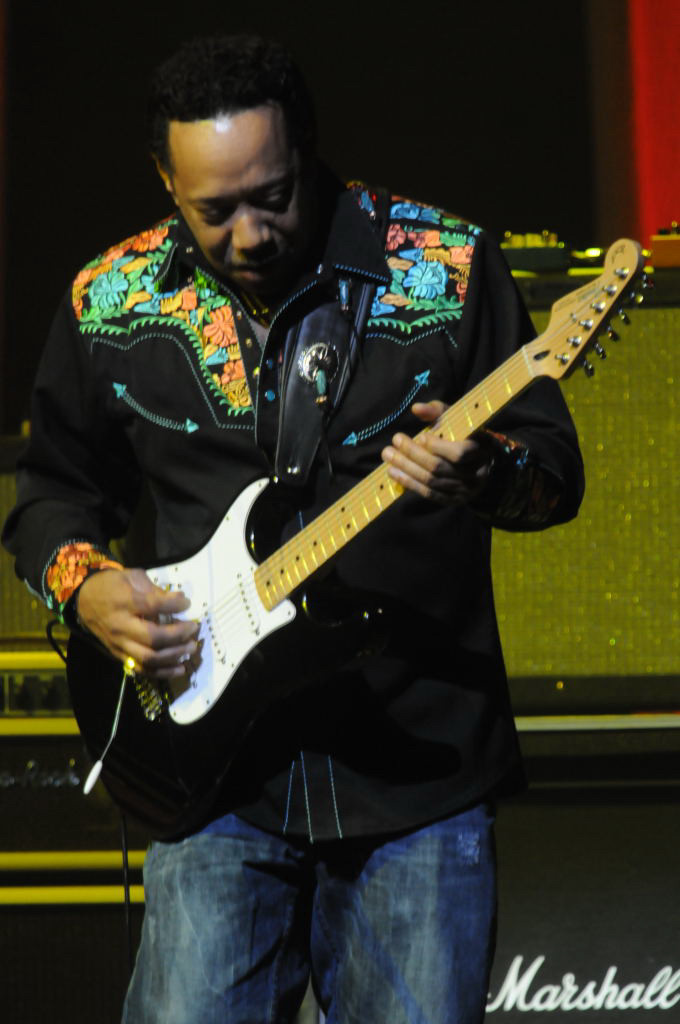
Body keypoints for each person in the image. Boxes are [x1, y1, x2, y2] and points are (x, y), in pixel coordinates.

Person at [2, 34, 584, 1024]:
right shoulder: (111, 298)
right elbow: (51, 492)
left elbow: (553, 478)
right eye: (213, 210)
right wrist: (87, 588)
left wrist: (484, 473)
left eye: (271, 197)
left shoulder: (444, 266)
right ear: (166, 182)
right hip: (213, 779)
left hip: (416, 774)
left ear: (306, 150)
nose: (249, 234)